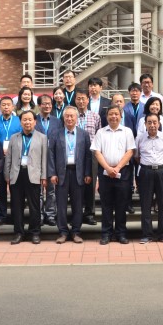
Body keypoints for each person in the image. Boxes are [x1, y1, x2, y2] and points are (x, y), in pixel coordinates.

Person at [92, 106, 136, 245]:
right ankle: (106, 234)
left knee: (121, 205)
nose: (114, 117)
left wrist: (116, 168)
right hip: (105, 173)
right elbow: (97, 152)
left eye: (116, 114)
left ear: (121, 116)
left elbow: (130, 152)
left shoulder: (127, 131)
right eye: (111, 114)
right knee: (106, 205)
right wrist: (108, 168)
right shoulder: (100, 132)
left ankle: (121, 234)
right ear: (106, 116)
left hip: (122, 172)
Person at [49, 106, 92, 244]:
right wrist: (52, 173)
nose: (69, 118)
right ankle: (62, 232)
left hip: (78, 173)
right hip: (61, 173)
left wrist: (87, 173)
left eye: (72, 116)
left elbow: (88, 156)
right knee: (61, 205)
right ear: (63, 118)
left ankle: (76, 232)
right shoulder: (56, 134)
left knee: (78, 205)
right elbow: (51, 155)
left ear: (76, 118)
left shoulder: (84, 134)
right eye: (66, 116)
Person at [5, 110, 48, 245]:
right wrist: (7, 175)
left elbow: (44, 159)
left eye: (30, 119)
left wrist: (44, 176)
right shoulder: (14, 137)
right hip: (16, 175)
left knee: (34, 206)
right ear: (20, 121)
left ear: (35, 122)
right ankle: (19, 232)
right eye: (24, 119)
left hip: (34, 175)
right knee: (16, 205)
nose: (27, 122)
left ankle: (34, 232)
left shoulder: (42, 137)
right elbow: (9, 158)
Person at [135, 113, 163, 244]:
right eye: (149, 122)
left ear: (159, 123)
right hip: (146, 172)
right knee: (146, 204)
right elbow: (137, 156)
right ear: (145, 124)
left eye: (154, 122)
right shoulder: (139, 138)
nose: (152, 125)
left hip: (162, 171)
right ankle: (147, 234)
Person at [0, 96, 22, 227]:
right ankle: (1, 215)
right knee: (1, 188)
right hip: (0, 158)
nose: (6, 107)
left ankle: (16, 215)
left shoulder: (19, 120)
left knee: (16, 187)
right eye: (3, 105)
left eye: (8, 104)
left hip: (16, 157)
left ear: (13, 107)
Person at [75, 88, 102, 226]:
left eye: (83, 99)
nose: (81, 101)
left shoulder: (95, 116)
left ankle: (90, 213)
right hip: (74, 153)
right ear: (75, 100)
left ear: (88, 99)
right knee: (76, 183)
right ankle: (77, 212)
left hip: (91, 154)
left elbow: (99, 136)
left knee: (90, 184)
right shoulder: (70, 115)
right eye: (78, 99)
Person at [35, 94, 60, 226]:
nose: (47, 106)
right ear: (39, 105)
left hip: (52, 159)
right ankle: (38, 215)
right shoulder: (33, 120)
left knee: (51, 189)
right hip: (37, 159)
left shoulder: (57, 121)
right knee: (38, 189)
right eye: (44, 103)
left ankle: (50, 215)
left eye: (49, 103)